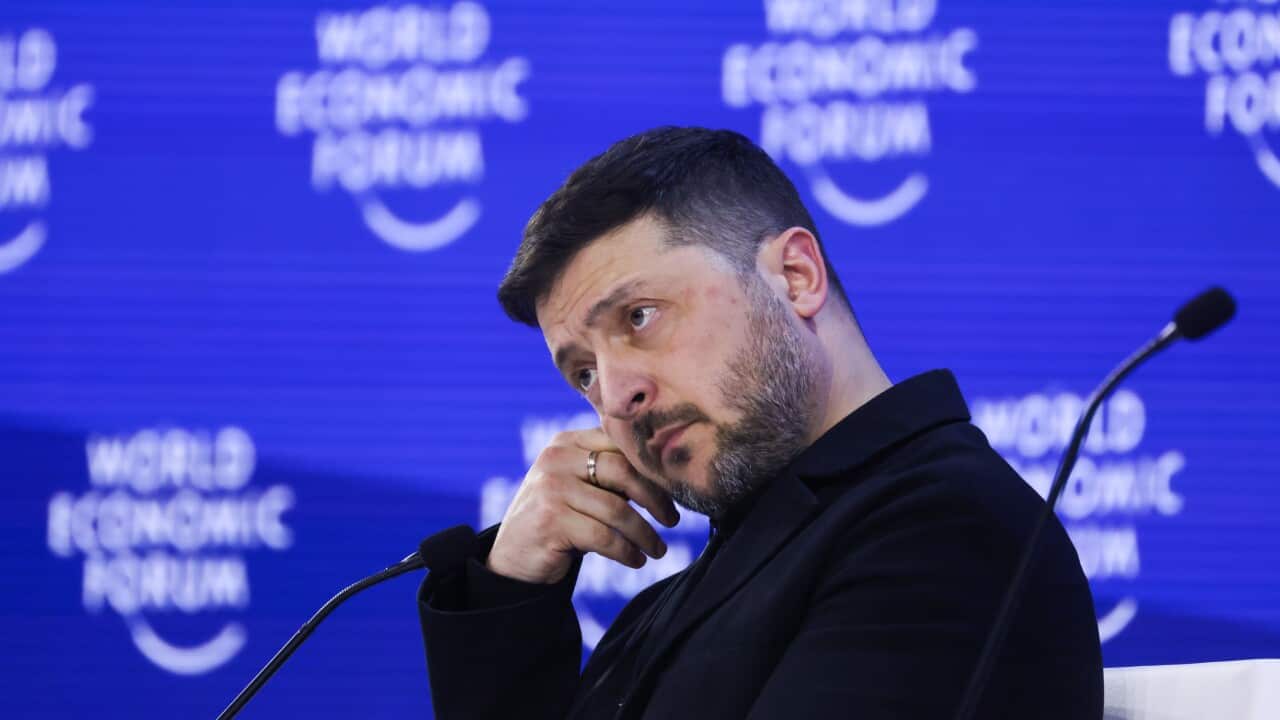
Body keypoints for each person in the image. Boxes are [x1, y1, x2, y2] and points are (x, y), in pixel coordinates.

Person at [416, 126, 1103, 719]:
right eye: (583, 372)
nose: (616, 395)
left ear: (796, 275)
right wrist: (509, 592)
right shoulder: (656, 615)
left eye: (640, 317)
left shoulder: (949, 529)